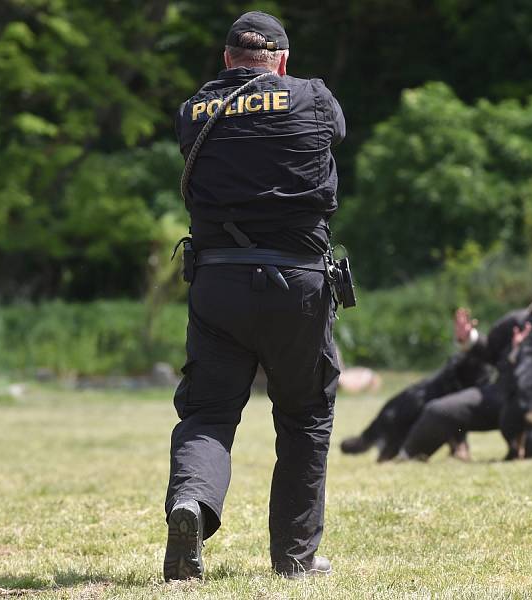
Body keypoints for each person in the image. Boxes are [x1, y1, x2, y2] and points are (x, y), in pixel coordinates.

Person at [163, 11, 345, 581]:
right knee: (305, 416)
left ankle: (192, 504)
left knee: (209, 412)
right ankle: (294, 559)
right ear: (282, 62)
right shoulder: (312, 98)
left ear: (226, 61)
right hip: (299, 289)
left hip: (219, 284)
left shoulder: (196, 112)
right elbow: (334, 133)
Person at [341, 278, 532, 461]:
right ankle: (409, 456)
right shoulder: (516, 320)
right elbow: (489, 351)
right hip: (496, 394)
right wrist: (469, 338)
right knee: (439, 410)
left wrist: (524, 353)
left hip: (529, 402)